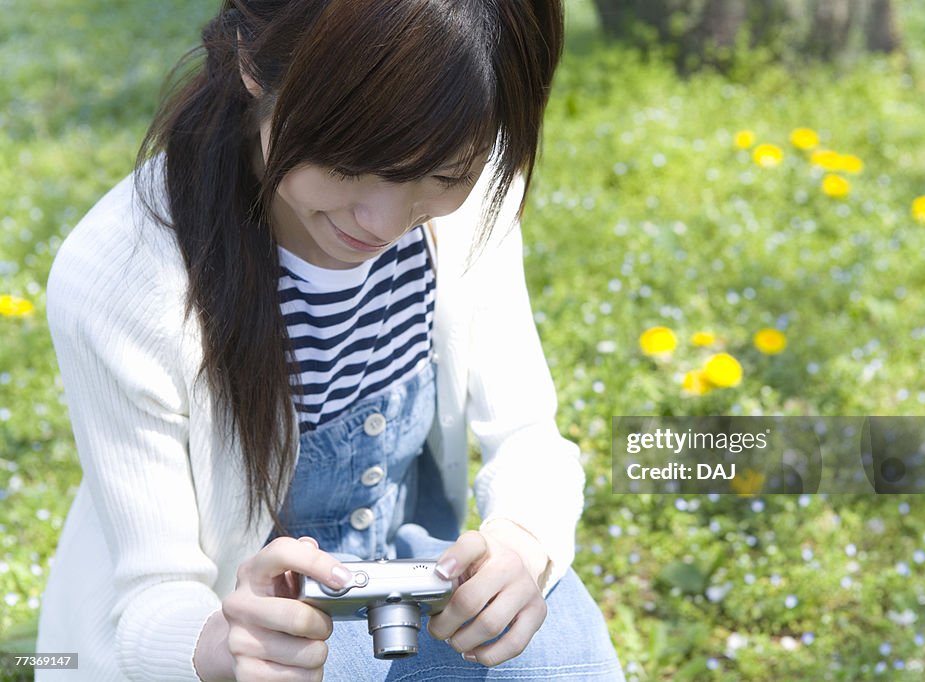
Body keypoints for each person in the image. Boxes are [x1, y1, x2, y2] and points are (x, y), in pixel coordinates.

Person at [37, 1, 624, 680]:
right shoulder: (123, 275)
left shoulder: (471, 171)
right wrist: (227, 645)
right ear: (255, 66)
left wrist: (522, 544)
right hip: (248, 617)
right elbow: (154, 597)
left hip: (412, 575)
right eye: (352, 163)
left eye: (440, 177)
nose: (382, 221)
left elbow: (527, 438)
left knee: (565, 654)